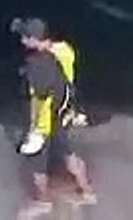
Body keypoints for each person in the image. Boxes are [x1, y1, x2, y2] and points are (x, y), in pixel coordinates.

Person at [12, 18, 95, 213]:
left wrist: (35, 131)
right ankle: (88, 192)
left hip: (45, 118)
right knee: (67, 152)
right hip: (62, 111)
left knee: (37, 161)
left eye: (26, 37)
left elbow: (41, 96)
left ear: (35, 39)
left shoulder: (37, 64)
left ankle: (42, 202)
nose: (22, 41)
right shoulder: (64, 50)